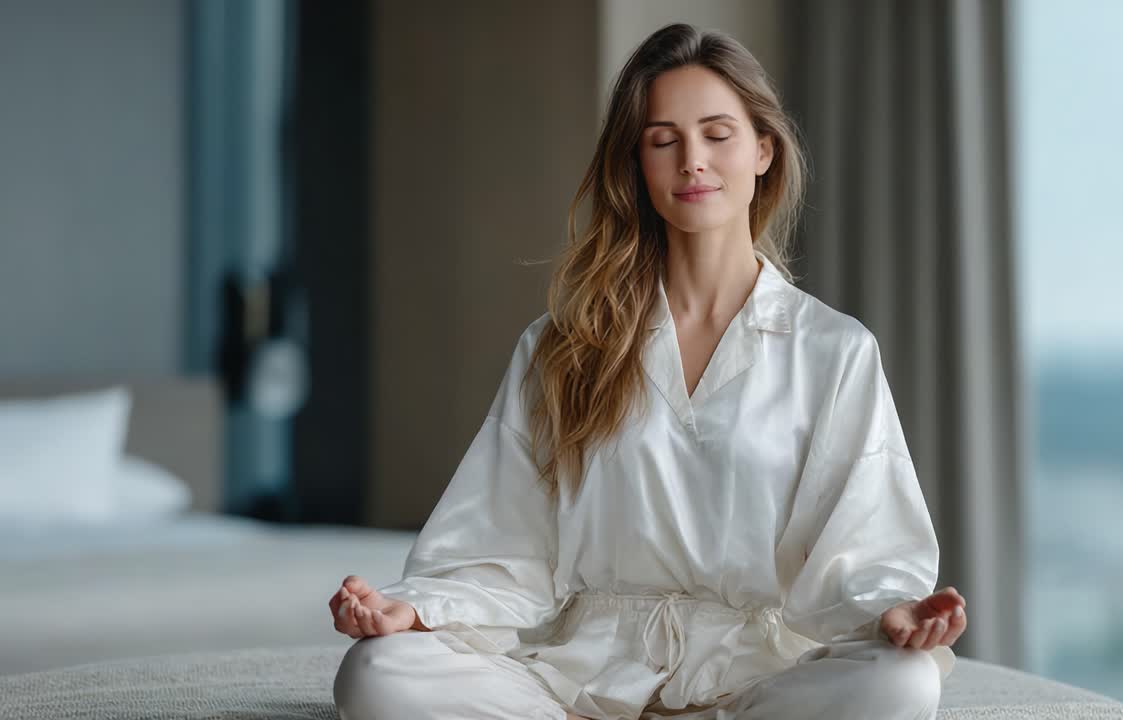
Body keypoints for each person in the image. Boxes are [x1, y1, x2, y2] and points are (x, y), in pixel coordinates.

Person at [329, 22, 966, 720]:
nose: (693, 161)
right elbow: (498, 544)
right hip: (579, 679)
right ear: (636, 163)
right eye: (664, 141)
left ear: (763, 150)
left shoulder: (833, 351)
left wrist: (891, 613)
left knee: (902, 683)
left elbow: (862, 552)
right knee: (377, 672)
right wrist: (415, 609)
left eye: (717, 135)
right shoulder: (564, 344)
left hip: (751, 681)